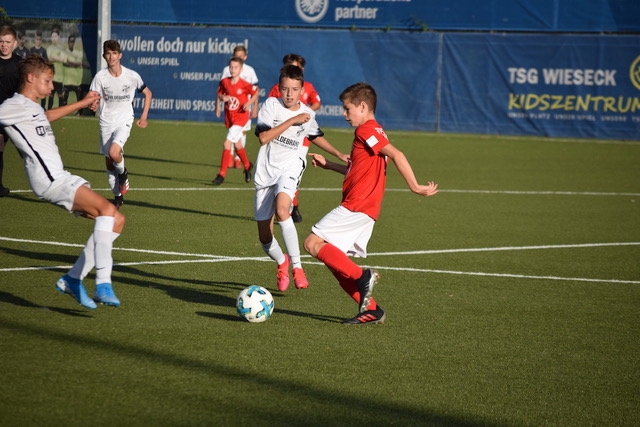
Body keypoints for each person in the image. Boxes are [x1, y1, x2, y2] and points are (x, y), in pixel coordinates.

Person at [303, 82, 439, 325]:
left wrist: (415, 186)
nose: (344, 114)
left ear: (363, 107)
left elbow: (397, 154)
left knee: (312, 243)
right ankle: (372, 310)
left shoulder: (365, 130)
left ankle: (363, 276)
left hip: (357, 205)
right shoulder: (375, 131)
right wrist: (329, 165)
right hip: (365, 208)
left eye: (347, 109)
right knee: (336, 264)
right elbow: (357, 170)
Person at [0, 54, 126, 309]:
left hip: (60, 176)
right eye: (47, 81)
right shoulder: (12, 105)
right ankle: (103, 283)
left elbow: (47, 116)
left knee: (116, 220)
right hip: (49, 180)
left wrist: (84, 102)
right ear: (30, 78)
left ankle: (73, 278)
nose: (51, 87)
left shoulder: (33, 107)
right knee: (107, 210)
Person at [254, 64, 347, 292]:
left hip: (290, 167)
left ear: (302, 90)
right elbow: (263, 138)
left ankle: (297, 268)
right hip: (266, 172)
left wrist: (338, 154)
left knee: (282, 210)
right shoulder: (271, 106)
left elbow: (314, 135)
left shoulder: (307, 113)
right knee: (265, 238)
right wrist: (292, 121)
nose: (289, 94)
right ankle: (282, 261)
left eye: (294, 89)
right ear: (279, 88)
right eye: (285, 89)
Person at [89, 40, 152, 208]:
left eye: (114, 53)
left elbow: (148, 93)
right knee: (109, 163)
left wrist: (144, 116)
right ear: (104, 56)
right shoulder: (100, 77)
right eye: (108, 54)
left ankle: (123, 173)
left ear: (120, 55)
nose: (111, 57)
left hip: (124, 120)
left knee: (114, 152)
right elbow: (93, 96)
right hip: (106, 122)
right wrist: (93, 104)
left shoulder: (131, 76)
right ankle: (118, 198)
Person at [268, 53, 322, 223]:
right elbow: (270, 110)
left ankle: (291, 206)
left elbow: (316, 103)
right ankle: (290, 206)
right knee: (279, 175)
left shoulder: (308, 87)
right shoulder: (277, 89)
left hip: (301, 140)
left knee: (292, 173)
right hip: (280, 140)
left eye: (296, 66)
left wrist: (306, 113)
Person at [212, 56, 257, 185]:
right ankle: (247, 166)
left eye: (236, 67)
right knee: (237, 145)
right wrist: (222, 98)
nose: (233, 69)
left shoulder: (244, 84)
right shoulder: (225, 82)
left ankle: (221, 175)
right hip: (230, 117)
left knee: (227, 143)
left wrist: (249, 103)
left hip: (241, 118)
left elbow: (255, 93)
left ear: (241, 69)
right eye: (231, 67)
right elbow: (219, 93)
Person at [220, 44, 259, 170]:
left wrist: (254, 106)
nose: (239, 58)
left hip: (244, 109)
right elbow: (221, 89)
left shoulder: (249, 70)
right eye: (237, 56)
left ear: (245, 57)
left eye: (241, 56)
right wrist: (218, 104)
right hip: (231, 109)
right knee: (234, 135)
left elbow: (255, 90)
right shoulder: (227, 70)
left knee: (240, 133)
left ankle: (235, 160)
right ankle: (241, 161)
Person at [0, 25, 22, 198]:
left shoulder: (20, 65)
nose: (4, 45)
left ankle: (47, 183)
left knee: (26, 151)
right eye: (1, 41)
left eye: (8, 42)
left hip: (15, 115)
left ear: (15, 43)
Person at [61, 34, 89, 106]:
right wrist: (74, 64)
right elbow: (65, 63)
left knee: (79, 97)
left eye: (73, 42)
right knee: (65, 97)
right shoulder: (65, 52)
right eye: (70, 41)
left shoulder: (77, 53)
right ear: (68, 42)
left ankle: (79, 111)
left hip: (76, 80)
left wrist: (71, 62)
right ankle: (64, 110)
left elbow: (79, 63)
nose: (71, 43)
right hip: (67, 80)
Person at [46, 28, 65, 109]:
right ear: (51, 38)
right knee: (50, 94)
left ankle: (60, 111)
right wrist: (57, 58)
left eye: (55, 36)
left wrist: (54, 58)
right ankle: (49, 111)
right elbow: (49, 59)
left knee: (60, 94)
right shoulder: (49, 48)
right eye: (52, 36)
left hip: (59, 76)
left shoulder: (61, 48)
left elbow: (62, 59)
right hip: (51, 76)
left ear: (59, 37)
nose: (54, 38)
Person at [29, 30, 49, 109]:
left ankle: (43, 107)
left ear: (41, 40)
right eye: (37, 39)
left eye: (40, 39)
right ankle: (32, 106)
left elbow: (46, 62)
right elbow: (29, 61)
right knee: (33, 91)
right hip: (33, 74)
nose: (38, 41)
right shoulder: (31, 50)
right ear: (35, 40)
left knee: (42, 90)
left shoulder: (43, 50)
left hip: (41, 74)